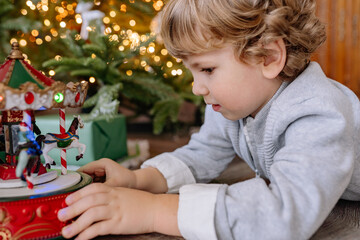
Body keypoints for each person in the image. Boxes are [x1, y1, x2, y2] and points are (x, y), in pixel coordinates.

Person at [57, 0, 360, 239]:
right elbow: (203, 153)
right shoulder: (232, 105)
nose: (196, 88)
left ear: (267, 57)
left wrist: (154, 211)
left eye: (208, 69)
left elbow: (284, 216)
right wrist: (139, 181)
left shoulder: (320, 113)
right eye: (191, 71)